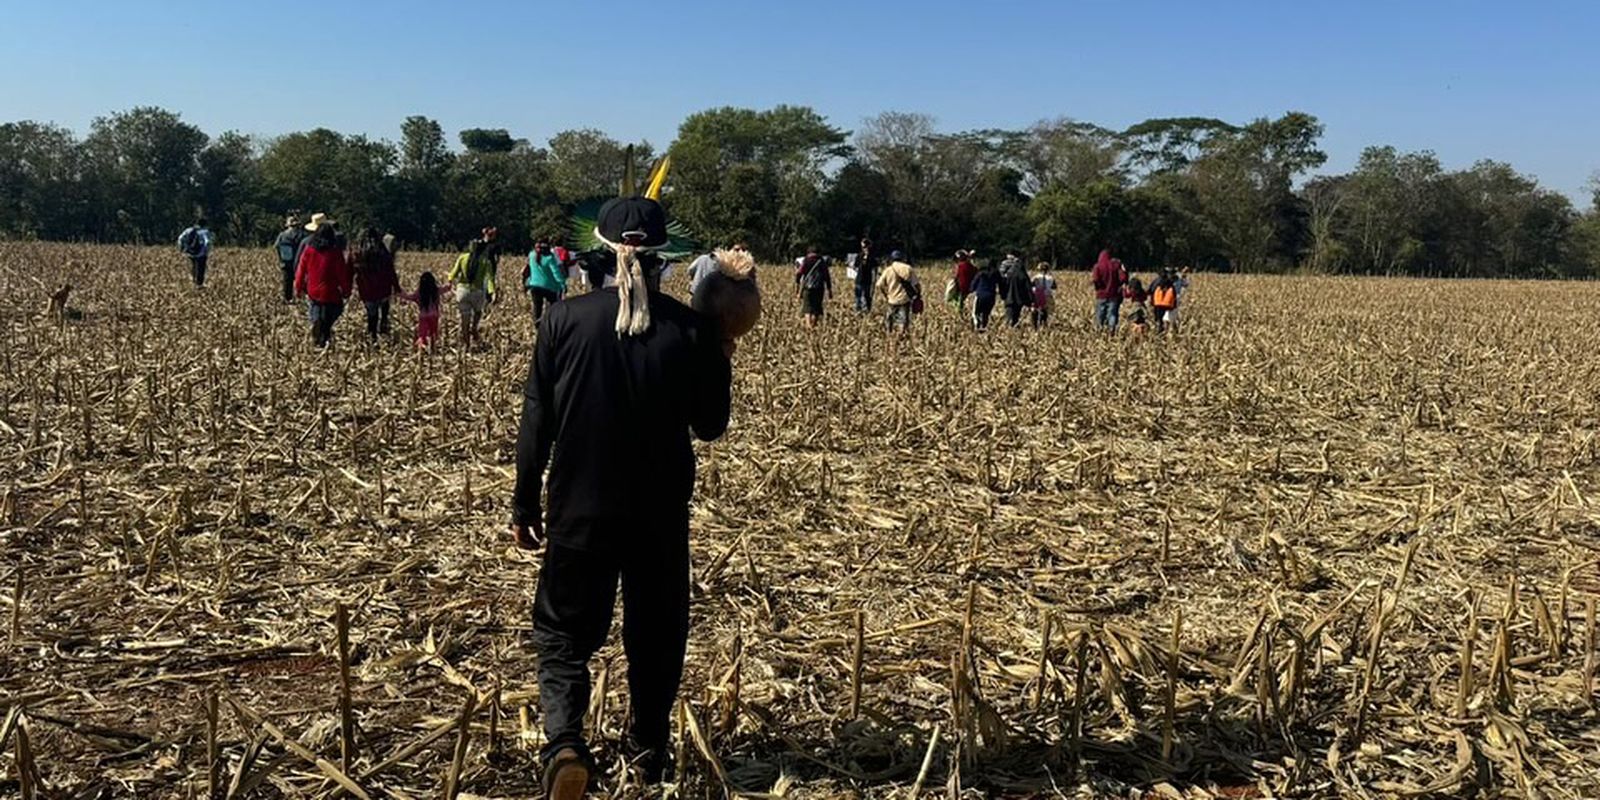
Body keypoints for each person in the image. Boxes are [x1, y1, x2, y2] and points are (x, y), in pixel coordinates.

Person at [511, 195, 732, 798]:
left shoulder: (562, 321)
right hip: (658, 517)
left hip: (578, 510)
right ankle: (649, 752)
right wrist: (721, 353)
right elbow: (711, 425)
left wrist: (524, 502)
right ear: (663, 257)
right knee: (655, 636)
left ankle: (565, 745)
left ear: (602, 252)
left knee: (562, 633)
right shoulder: (691, 329)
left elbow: (538, 419)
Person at [293, 218, 352, 348]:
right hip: (331, 290)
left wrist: (298, 288)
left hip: (313, 289)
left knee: (315, 308)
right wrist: (346, 290)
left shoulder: (309, 250)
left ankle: (316, 325)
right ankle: (324, 331)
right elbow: (341, 273)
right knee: (336, 309)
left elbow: (300, 271)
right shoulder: (336, 252)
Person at [351, 227, 401, 343]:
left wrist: (346, 288)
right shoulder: (383, 252)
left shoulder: (357, 253)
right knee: (384, 307)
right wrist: (397, 288)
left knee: (371, 315)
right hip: (383, 289)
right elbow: (391, 272)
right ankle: (383, 326)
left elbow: (349, 271)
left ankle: (372, 337)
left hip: (367, 291)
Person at [447, 235, 498, 349]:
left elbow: (453, 273)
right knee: (478, 312)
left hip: (462, 292)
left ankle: (467, 346)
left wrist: (449, 280)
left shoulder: (462, 258)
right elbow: (490, 279)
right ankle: (474, 328)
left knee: (464, 321)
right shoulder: (486, 262)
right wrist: (492, 292)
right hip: (477, 293)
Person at [399, 271, 447, 350]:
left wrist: (399, 292)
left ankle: (421, 349)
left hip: (423, 316)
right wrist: (450, 279)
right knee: (433, 333)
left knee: (422, 334)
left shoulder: (420, 292)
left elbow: (409, 297)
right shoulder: (436, 290)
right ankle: (432, 348)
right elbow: (447, 288)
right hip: (434, 316)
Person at [875, 251, 920, 333]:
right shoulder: (908, 268)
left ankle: (889, 335)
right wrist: (918, 295)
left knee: (890, 320)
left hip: (892, 300)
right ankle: (902, 336)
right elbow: (916, 284)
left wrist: (886, 295)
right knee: (903, 321)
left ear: (892, 259)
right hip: (905, 299)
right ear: (902, 258)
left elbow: (879, 285)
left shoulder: (888, 270)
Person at [525, 240, 567, 323]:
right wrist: (563, 284)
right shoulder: (549, 258)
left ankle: (537, 325)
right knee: (552, 308)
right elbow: (556, 273)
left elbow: (529, 269)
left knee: (537, 307)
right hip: (550, 287)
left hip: (534, 285)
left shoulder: (532, 255)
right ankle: (549, 324)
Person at [794, 249, 831, 328]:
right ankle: (813, 325)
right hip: (819, 288)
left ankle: (808, 326)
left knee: (807, 308)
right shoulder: (821, 262)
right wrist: (829, 289)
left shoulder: (806, 261)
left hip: (808, 287)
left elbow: (799, 273)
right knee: (816, 308)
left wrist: (797, 284)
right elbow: (827, 276)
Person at [1090, 249, 1126, 332]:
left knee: (1100, 314)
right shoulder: (1116, 265)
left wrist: (1098, 287)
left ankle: (1099, 331)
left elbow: (1096, 279)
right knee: (1112, 314)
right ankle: (1111, 331)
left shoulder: (1097, 266)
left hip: (1101, 295)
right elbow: (1123, 278)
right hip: (1114, 295)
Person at [274, 216, 307, 302]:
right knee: (301, 280)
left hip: (286, 262)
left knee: (287, 282)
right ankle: (302, 298)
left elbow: (277, 247)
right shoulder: (302, 234)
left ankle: (288, 298)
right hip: (299, 262)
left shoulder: (282, 235)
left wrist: (281, 259)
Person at [1000, 251, 1034, 328]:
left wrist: (1002, 295)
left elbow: (1003, 285)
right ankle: (1014, 327)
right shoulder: (1023, 275)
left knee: (1009, 316)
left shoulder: (1009, 274)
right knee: (1016, 316)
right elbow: (1028, 288)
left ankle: (1009, 330)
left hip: (1009, 298)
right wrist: (1031, 300)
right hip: (1020, 299)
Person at [177, 217, 213, 289]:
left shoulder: (189, 230)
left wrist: (182, 248)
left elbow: (180, 238)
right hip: (201, 253)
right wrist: (207, 250)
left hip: (191, 252)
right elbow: (207, 242)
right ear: (205, 224)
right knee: (201, 268)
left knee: (193, 266)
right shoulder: (205, 231)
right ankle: (199, 284)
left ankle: (193, 281)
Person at [1149, 268, 1184, 334]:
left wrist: (1152, 301)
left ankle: (1159, 331)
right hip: (1168, 304)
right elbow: (1173, 294)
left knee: (1159, 319)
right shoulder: (1172, 281)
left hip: (1157, 303)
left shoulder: (1156, 281)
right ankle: (1171, 332)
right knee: (1169, 319)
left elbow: (1150, 290)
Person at [849, 238, 879, 313]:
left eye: (865, 246)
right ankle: (858, 311)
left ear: (869, 246)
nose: (864, 248)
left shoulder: (872, 258)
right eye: (862, 247)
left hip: (867, 280)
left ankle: (867, 311)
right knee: (858, 298)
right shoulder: (859, 256)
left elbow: (875, 270)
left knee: (866, 297)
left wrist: (874, 280)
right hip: (858, 280)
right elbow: (854, 266)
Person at [970, 258, 1000, 332]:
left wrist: (971, 289)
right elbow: (1001, 283)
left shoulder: (980, 273)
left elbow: (973, 284)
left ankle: (977, 325)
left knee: (975, 313)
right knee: (986, 313)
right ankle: (984, 326)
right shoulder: (996, 274)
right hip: (991, 296)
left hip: (980, 295)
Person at [1031, 263, 1056, 328]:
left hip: (1037, 294)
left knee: (1034, 309)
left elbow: (1031, 284)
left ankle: (1035, 325)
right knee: (1045, 310)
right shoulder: (1051, 278)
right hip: (1047, 295)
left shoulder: (1035, 277)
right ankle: (1043, 324)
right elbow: (1054, 287)